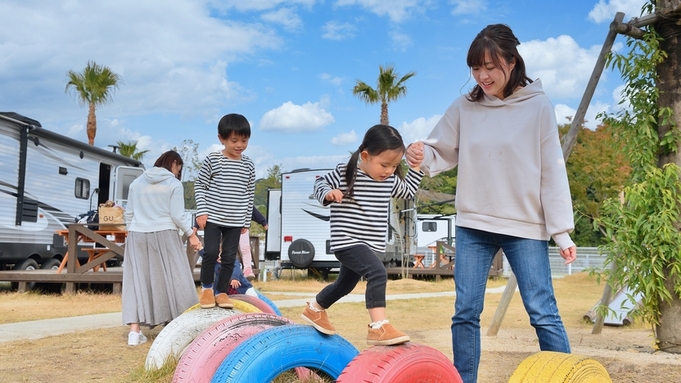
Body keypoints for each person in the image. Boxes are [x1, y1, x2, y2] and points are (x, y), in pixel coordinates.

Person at [406, 24, 577, 382]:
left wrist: (561, 231)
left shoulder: (539, 107)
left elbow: (552, 170)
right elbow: (442, 150)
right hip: (474, 225)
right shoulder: (465, 107)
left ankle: (565, 376)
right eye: (475, 67)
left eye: (490, 66)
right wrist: (420, 154)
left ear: (512, 62)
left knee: (541, 310)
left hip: (525, 226)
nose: (482, 76)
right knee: (465, 311)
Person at [301, 124, 423, 346]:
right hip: (347, 239)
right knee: (378, 273)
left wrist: (417, 168)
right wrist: (328, 193)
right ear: (365, 156)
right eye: (384, 164)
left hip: (368, 244)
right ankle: (378, 327)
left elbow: (407, 191)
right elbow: (320, 183)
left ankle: (315, 309)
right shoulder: (346, 173)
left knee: (344, 285)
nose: (389, 171)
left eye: (395, 166)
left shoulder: (388, 181)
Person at [122, 150, 202, 346]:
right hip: (165, 232)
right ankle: (183, 325)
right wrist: (191, 234)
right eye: (179, 169)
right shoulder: (173, 183)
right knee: (176, 278)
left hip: (137, 234)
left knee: (137, 280)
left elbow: (129, 213)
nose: (178, 173)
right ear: (174, 163)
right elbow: (176, 215)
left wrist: (131, 231)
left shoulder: (136, 183)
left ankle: (134, 332)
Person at [195, 113, 255, 309]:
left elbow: (249, 193)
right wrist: (201, 211)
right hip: (214, 217)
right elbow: (200, 185)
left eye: (244, 141)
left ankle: (221, 292)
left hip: (236, 221)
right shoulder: (213, 159)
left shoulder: (248, 165)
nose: (239, 145)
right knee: (211, 253)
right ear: (221, 138)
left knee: (230, 258)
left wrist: (246, 220)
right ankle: (206, 289)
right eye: (234, 140)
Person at [239, 207, 268, 281]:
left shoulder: (244, 199)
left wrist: (263, 221)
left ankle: (247, 269)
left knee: (245, 248)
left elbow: (251, 208)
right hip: (225, 226)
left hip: (242, 226)